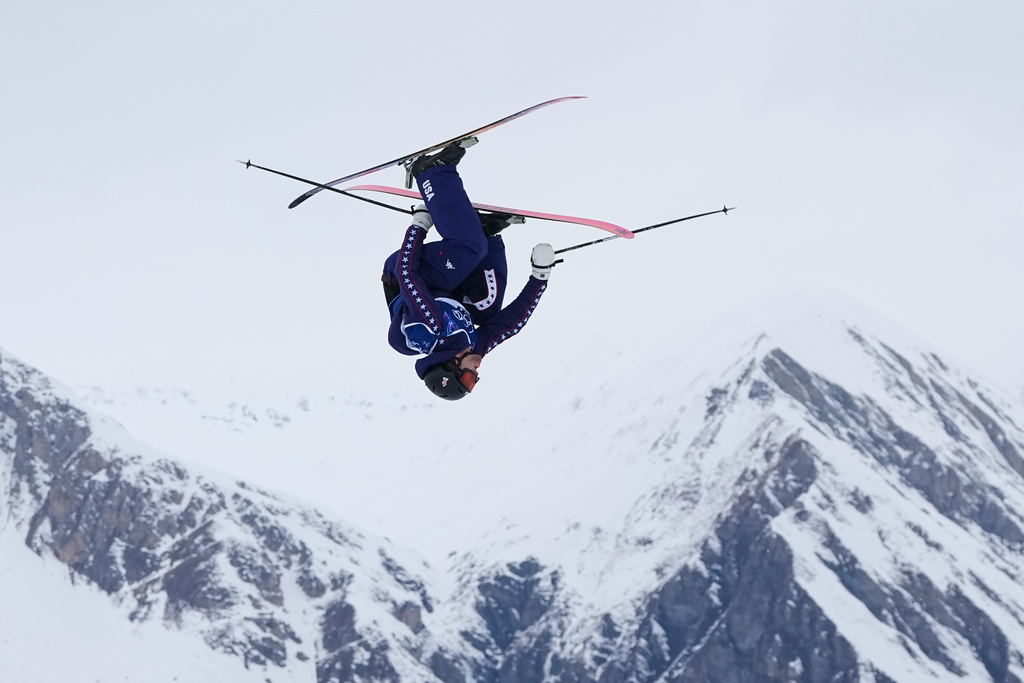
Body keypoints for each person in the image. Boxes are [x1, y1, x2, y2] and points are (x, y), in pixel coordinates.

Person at [380, 141, 556, 400]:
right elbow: (511, 324)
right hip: (444, 289)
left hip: (410, 272)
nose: (476, 372)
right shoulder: (470, 345)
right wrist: (540, 276)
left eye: (467, 377)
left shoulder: (431, 328)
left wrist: (420, 224)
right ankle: (485, 232)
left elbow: (408, 275)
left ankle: (431, 171)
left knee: (469, 247)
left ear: (450, 366)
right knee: (487, 307)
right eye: (474, 381)